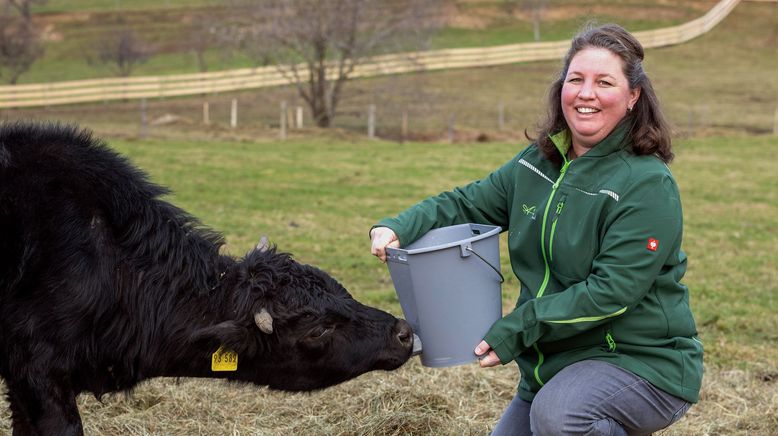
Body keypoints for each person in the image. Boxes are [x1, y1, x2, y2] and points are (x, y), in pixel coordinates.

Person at [369, 23, 703, 435]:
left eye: (604, 82)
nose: (586, 93)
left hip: (640, 363)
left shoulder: (647, 185)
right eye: (576, 79)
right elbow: (468, 203)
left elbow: (610, 293)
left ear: (633, 96)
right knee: (553, 411)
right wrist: (396, 227)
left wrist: (517, 328)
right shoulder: (536, 163)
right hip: (553, 366)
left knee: (560, 417)